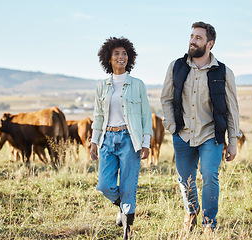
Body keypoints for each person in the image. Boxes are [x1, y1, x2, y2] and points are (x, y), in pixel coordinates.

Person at [160, 21, 240, 232]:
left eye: (198, 38)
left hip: (210, 135)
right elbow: (166, 99)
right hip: (183, 135)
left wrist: (233, 142)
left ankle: (209, 223)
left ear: (210, 44)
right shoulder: (176, 66)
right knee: (185, 179)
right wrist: (170, 126)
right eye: (192, 36)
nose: (192, 41)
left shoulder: (223, 72)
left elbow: (232, 109)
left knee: (210, 176)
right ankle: (192, 211)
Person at [90, 37, 153, 239]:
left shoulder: (137, 85)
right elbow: (98, 116)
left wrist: (146, 143)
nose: (121, 57)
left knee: (128, 186)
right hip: (107, 139)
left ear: (130, 58)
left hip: (129, 139)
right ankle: (123, 206)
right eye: (116, 53)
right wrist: (93, 141)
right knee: (104, 185)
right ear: (108, 58)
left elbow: (145, 116)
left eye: (124, 53)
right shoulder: (102, 86)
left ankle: (128, 231)